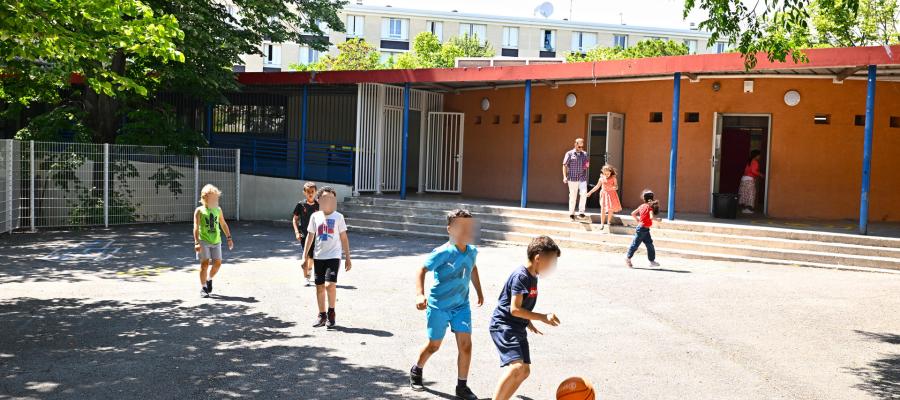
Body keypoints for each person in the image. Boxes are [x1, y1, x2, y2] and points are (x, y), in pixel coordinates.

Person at [410, 209, 484, 400]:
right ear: (450, 229)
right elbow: (421, 269)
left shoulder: (472, 251)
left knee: (466, 346)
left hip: (461, 306)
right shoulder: (442, 252)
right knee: (434, 345)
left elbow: (473, 268)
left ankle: (462, 386)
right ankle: (417, 370)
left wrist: (479, 291)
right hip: (439, 306)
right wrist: (419, 294)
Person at [490, 235, 562, 400]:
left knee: (524, 371)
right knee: (516, 368)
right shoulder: (521, 276)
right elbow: (514, 309)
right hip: (504, 326)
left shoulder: (532, 276)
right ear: (538, 258)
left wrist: (527, 320)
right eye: (550, 261)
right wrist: (542, 317)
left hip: (517, 326)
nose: (551, 266)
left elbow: (521, 307)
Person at [301, 186, 352, 328]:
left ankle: (331, 312)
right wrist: (304, 257)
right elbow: (310, 237)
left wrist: (348, 257)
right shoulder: (315, 217)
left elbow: (344, 237)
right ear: (319, 200)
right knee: (319, 286)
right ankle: (321, 315)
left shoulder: (338, 217)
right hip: (318, 256)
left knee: (330, 285)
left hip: (334, 256)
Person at [193, 184, 234, 298]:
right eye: (212, 198)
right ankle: (203, 287)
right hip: (204, 240)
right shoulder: (199, 211)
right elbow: (196, 227)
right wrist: (196, 242)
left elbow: (223, 224)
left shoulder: (218, 210)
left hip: (216, 241)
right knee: (204, 264)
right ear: (204, 198)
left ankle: (209, 279)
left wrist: (229, 238)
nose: (215, 200)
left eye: (216, 198)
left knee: (217, 264)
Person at [625, 190, 661, 268]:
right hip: (642, 229)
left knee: (649, 245)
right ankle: (628, 258)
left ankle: (651, 261)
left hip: (644, 229)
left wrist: (638, 220)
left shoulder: (641, 206)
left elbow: (633, 213)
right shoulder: (650, 208)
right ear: (651, 199)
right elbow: (651, 217)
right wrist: (658, 220)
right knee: (635, 244)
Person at [292, 182, 319, 286]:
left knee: (312, 257)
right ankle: (305, 277)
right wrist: (297, 232)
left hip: (316, 236)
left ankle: (310, 270)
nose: (310, 194)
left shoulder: (319, 205)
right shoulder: (300, 205)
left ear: (316, 192)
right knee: (306, 256)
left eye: (312, 192)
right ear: (304, 192)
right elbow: (294, 220)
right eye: (308, 192)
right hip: (304, 235)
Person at [586, 164, 623, 232]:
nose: (606, 175)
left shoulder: (613, 178)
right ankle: (602, 223)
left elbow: (616, 186)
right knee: (603, 209)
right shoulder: (601, 178)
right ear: (602, 172)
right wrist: (590, 192)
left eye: (608, 173)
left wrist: (614, 187)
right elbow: (597, 187)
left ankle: (608, 221)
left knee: (610, 209)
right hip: (604, 194)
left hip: (612, 194)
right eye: (605, 173)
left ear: (610, 172)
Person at [562, 138, 590, 221]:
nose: (581, 148)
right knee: (573, 196)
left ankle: (581, 212)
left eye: (582, 146)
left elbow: (587, 165)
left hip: (582, 178)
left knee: (584, 193)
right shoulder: (569, 154)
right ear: (575, 144)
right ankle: (571, 214)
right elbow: (564, 165)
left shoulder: (584, 154)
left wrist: (587, 164)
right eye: (579, 146)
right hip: (572, 178)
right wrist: (564, 176)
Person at [739, 150, 765, 214]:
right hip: (749, 179)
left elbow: (746, 170)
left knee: (744, 193)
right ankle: (748, 209)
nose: (760, 156)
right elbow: (753, 171)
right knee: (751, 194)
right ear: (756, 155)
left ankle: (744, 208)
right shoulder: (755, 162)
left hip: (744, 179)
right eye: (759, 155)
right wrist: (760, 174)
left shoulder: (749, 161)